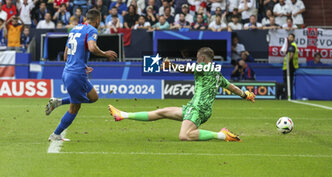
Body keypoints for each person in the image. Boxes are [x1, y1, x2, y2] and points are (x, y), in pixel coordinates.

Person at [108, 47, 255, 142]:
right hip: (197, 108)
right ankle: (123, 114)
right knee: (162, 112)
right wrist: (245, 95)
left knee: (184, 136)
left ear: (203, 59)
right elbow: (232, 87)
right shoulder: (217, 73)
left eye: (198, 57)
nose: (196, 60)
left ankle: (222, 135)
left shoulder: (204, 67)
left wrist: (171, 65)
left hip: (198, 108)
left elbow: (188, 69)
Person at [46, 9, 118, 141]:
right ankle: (56, 134)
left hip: (69, 71)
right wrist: (104, 53)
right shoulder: (92, 30)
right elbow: (92, 47)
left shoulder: (74, 29)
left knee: (93, 97)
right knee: (75, 106)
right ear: (97, 20)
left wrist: (80, 65)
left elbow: (66, 54)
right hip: (76, 74)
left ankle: (59, 101)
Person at [283, 33, 299, 99]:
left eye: (291, 37)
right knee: (287, 82)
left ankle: (288, 96)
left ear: (294, 39)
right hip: (287, 66)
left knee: (289, 82)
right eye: (289, 37)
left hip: (290, 66)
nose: (290, 38)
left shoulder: (292, 45)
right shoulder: (288, 45)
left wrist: (288, 62)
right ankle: (287, 95)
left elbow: (291, 55)